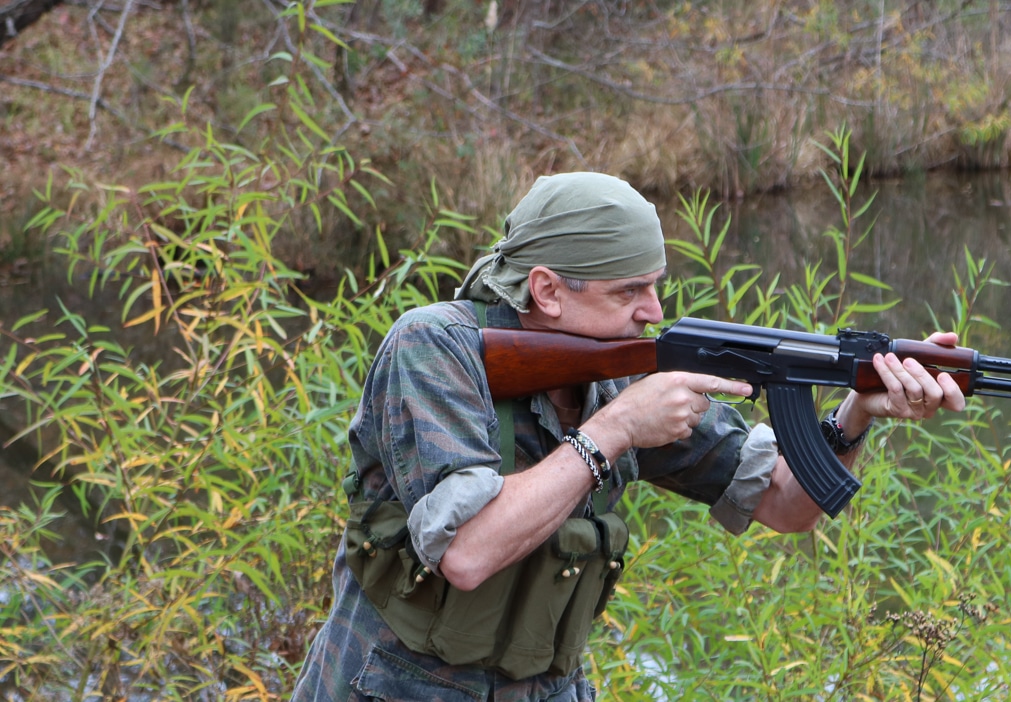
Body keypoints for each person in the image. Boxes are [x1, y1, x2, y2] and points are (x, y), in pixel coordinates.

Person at [291, 172, 965, 701]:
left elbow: (786, 504)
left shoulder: (618, 367)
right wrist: (612, 431)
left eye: (656, 287)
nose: (655, 313)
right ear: (547, 290)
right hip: (391, 689)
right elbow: (466, 552)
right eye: (629, 292)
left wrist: (855, 413)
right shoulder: (436, 348)